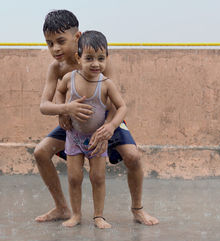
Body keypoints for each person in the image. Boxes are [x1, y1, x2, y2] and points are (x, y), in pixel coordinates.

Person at [34, 9, 159, 225]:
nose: (55, 48)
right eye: (49, 43)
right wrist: (64, 110)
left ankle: (137, 209)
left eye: (60, 41)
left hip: (106, 120)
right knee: (40, 152)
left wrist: (108, 129)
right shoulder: (57, 68)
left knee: (133, 157)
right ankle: (63, 208)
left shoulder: (99, 61)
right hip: (75, 124)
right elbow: (45, 105)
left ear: (77, 36)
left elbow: (113, 103)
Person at [56, 30, 127, 228]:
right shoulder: (69, 78)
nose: (96, 63)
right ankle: (76, 215)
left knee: (97, 177)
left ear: (107, 59)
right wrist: (61, 112)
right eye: (89, 58)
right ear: (78, 58)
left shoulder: (106, 84)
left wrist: (111, 126)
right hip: (74, 136)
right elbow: (60, 93)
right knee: (74, 177)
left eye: (101, 58)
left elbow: (122, 107)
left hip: (97, 138)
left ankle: (98, 216)